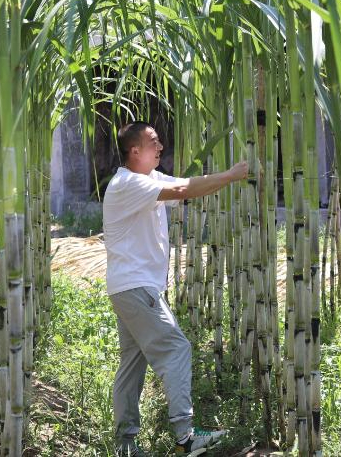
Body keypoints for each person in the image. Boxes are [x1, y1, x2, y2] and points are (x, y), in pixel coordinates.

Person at [103, 121, 248, 457]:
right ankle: (186, 437)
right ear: (134, 151)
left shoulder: (148, 179)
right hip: (137, 288)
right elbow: (184, 190)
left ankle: (125, 445)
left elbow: (186, 185)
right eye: (153, 142)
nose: (160, 147)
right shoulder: (128, 183)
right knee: (177, 349)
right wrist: (232, 174)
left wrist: (226, 178)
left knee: (132, 365)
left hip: (128, 288)